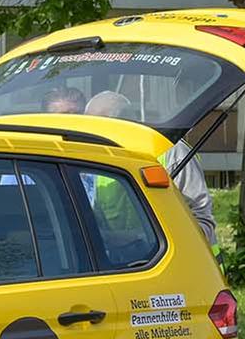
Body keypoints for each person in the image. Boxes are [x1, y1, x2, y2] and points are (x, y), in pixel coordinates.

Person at [84, 90, 219, 246]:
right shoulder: (100, 161)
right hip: (131, 264)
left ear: (118, 124)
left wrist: (154, 242)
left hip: (184, 263)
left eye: (93, 127)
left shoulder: (170, 152)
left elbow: (202, 221)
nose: (88, 135)